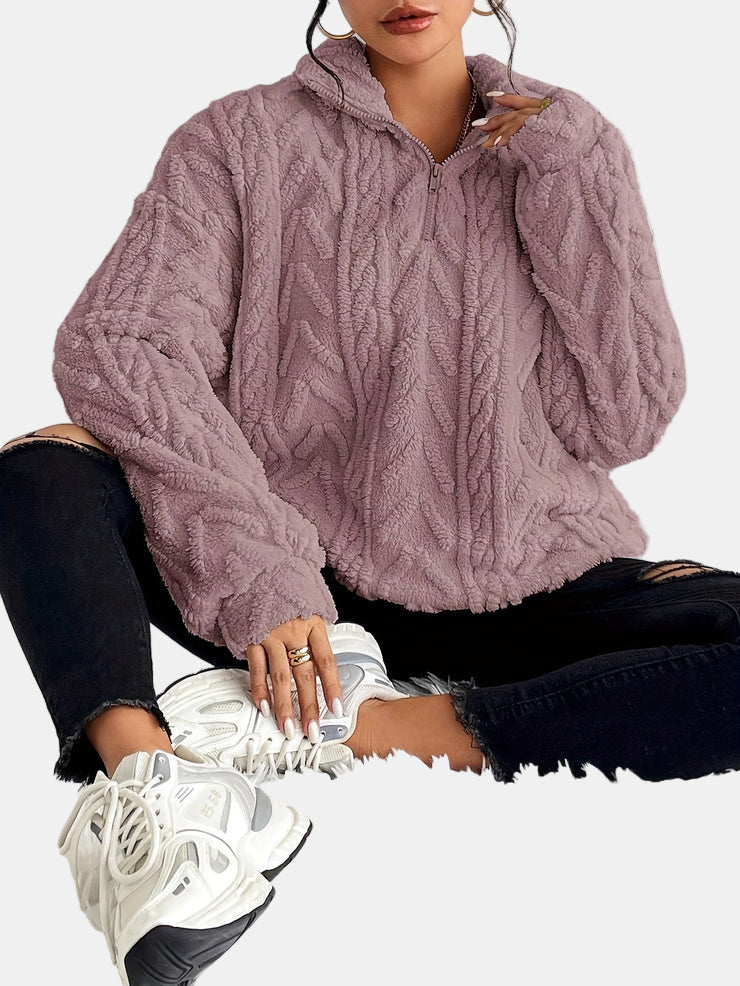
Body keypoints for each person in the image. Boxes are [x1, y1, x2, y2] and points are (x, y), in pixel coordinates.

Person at [2, 1, 740, 983]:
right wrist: (260, 566)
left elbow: (624, 420)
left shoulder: (567, 145)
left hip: (536, 585)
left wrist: (568, 184)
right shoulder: (238, 141)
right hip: (302, 606)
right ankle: (152, 777)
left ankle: (353, 728)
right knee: (43, 466)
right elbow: (123, 345)